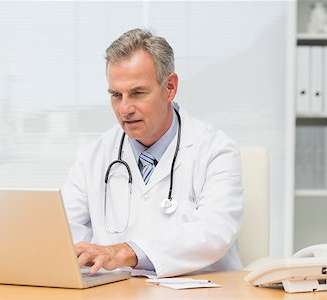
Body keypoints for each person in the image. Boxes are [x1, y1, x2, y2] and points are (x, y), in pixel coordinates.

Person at [62, 28, 243, 278]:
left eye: (137, 93)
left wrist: (126, 252)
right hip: (118, 294)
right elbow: (65, 233)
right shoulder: (92, 157)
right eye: (116, 95)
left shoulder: (215, 150)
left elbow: (214, 231)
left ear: (169, 87)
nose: (125, 109)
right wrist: (83, 255)